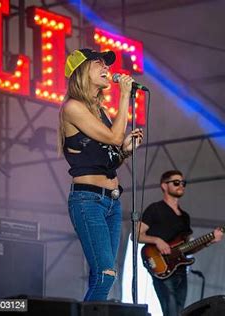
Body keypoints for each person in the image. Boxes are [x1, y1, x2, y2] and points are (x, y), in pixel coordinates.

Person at [59, 48, 143, 301]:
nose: (107, 67)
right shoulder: (72, 107)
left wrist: (125, 152)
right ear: (82, 72)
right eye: (99, 63)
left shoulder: (101, 112)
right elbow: (114, 137)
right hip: (88, 200)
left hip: (112, 201)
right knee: (106, 275)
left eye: (107, 63)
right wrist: (125, 95)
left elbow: (106, 158)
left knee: (103, 275)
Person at [138, 170, 223, 316]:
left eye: (183, 183)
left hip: (180, 269)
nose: (181, 185)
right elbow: (137, 235)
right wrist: (157, 241)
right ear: (164, 186)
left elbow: (187, 248)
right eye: (176, 182)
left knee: (179, 312)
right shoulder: (155, 209)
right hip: (160, 265)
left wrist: (209, 242)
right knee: (170, 311)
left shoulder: (185, 217)